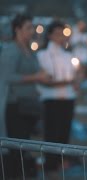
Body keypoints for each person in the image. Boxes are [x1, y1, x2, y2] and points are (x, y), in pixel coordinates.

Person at [0, 14, 51, 178]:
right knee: (16, 146)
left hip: (28, 105)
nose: (31, 31)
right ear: (18, 30)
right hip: (14, 105)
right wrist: (36, 77)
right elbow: (7, 77)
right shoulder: (11, 51)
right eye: (28, 27)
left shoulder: (29, 50)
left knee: (25, 146)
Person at [37, 20, 77, 172]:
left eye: (63, 34)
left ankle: (61, 164)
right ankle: (50, 166)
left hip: (68, 98)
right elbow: (46, 79)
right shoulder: (43, 54)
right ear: (50, 35)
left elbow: (72, 76)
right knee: (51, 134)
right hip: (51, 99)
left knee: (64, 133)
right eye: (58, 34)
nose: (61, 37)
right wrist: (66, 82)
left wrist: (74, 82)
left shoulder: (68, 55)